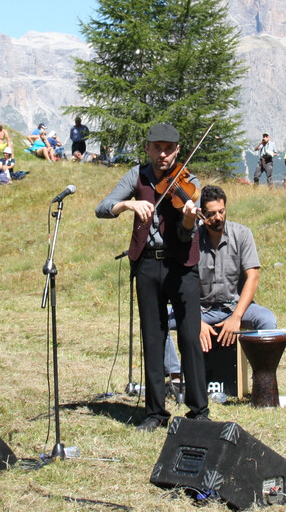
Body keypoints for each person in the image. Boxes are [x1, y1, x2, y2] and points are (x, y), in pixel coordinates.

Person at [96, 123, 210, 431]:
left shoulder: (189, 184)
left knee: (189, 336)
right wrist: (128, 204)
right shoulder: (137, 175)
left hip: (181, 266)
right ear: (147, 148)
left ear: (177, 151)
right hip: (146, 264)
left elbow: (187, 235)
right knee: (153, 337)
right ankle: (155, 413)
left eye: (168, 149)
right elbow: (102, 208)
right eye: (156, 148)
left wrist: (188, 219)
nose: (162, 154)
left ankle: (199, 410)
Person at [162, 185, 277, 389]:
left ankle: (261, 378)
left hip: (234, 306)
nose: (218, 217)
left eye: (221, 212)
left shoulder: (242, 234)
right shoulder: (192, 239)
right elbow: (180, 282)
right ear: (202, 215)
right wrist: (194, 320)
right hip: (201, 309)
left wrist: (237, 317)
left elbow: (253, 278)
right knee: (157, 318)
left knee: (268, 320)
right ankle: (176, 376)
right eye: (212, 214)